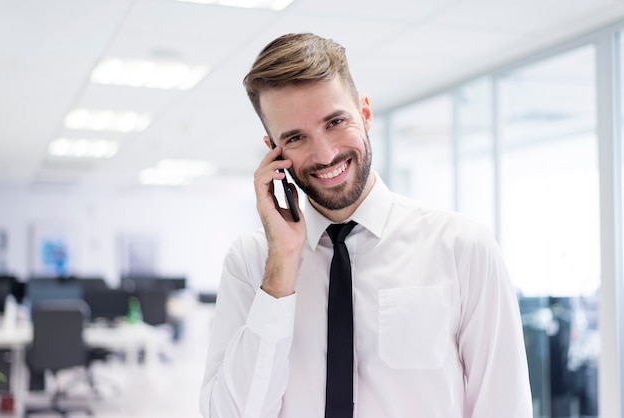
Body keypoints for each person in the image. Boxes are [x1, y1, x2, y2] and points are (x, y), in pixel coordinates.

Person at [199, 32, 532, 418]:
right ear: (274, 149)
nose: (325, 154)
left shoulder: (462, 247)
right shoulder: (252, 261)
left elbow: (504, 404)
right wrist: (282, 269)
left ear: (366, 113)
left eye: (335, 121)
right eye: (295, 137)